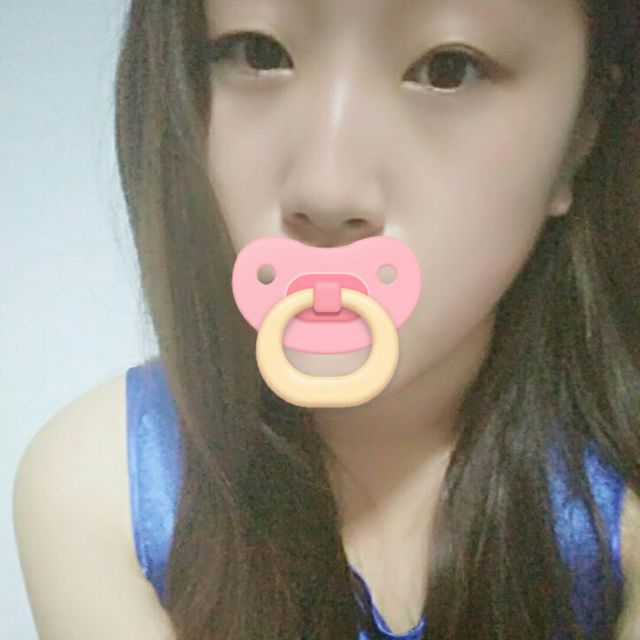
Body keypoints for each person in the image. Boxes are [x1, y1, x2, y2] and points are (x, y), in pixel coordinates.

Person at [12, 0, 640, 638]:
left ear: (581, 133)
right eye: (257, 53)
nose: (326, 191)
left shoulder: (621, 504)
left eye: (449, 68)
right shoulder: (100, 485)